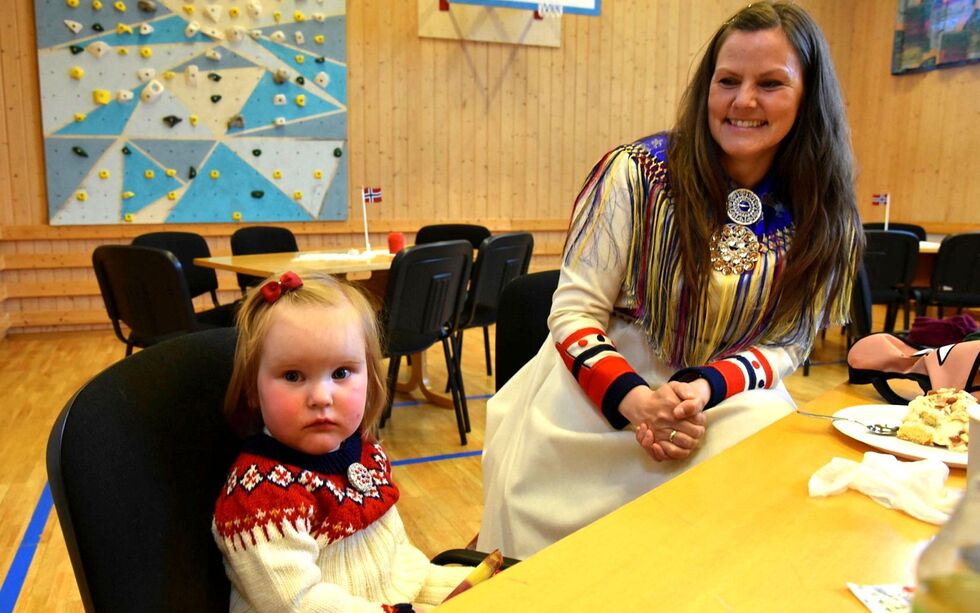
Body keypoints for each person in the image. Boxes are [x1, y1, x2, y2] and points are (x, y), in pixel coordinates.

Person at [478, 1, 863, 559]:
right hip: (602, 388)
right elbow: (574, 311)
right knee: (544, 523)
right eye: (727, 81)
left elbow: (789, 342)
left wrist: (701, 389)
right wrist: (637, 402)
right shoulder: (636, 172)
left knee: (752, 510)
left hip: (726, 395)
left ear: (808, 97)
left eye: (771, 83)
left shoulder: (828, 213)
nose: (744, 101)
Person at [212, 271, 472, 612]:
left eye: (340, 373)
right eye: (292, 376)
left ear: (371, 377)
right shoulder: (259, 498)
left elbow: (396, 558)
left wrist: (454, 587)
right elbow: (298, 603)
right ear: (252, 390)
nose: (321, 397)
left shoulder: (365, 452)